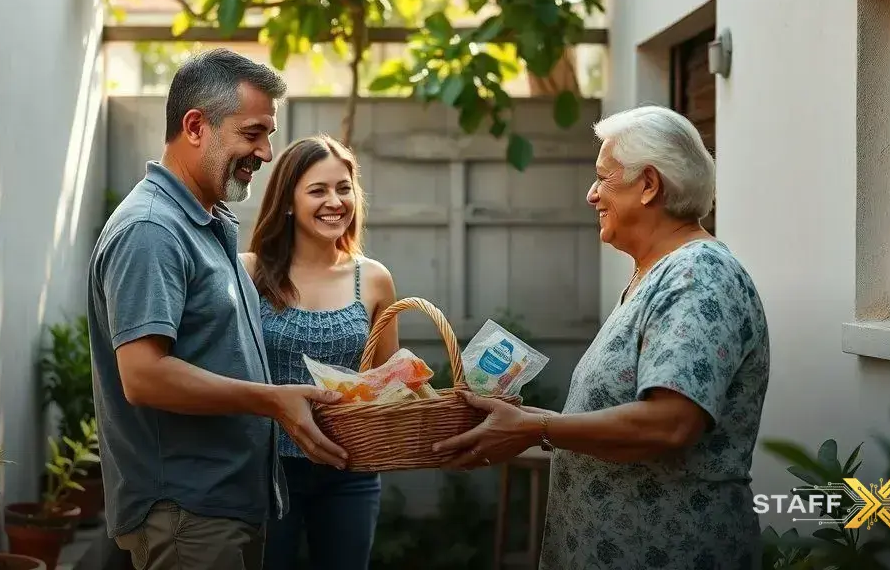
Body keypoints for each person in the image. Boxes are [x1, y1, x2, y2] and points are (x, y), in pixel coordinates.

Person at [434, 105, 770, 569]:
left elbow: (669, 423)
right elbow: (613, 419)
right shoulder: (652, 275)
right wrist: (523, 424)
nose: (592, 194)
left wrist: (538, 427)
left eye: (603, 178)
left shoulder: (697, 275)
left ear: (649, 185)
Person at [86, 49, 349, 570]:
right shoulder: (152, 230)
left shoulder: (201, 222)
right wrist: (272, 400)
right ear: (195, 126)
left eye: (268, 135)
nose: (267, 153)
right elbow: (143, 377)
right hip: (187, 516)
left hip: (217, 510)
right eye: (253, 133)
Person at [239, 134, 400, 570]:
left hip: (351, 469)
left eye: (343, 188)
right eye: (318, 190)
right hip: (265, 472)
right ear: (288, 200)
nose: (335, 201)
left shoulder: (373, 278)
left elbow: (390, 382)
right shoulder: (248, 272)